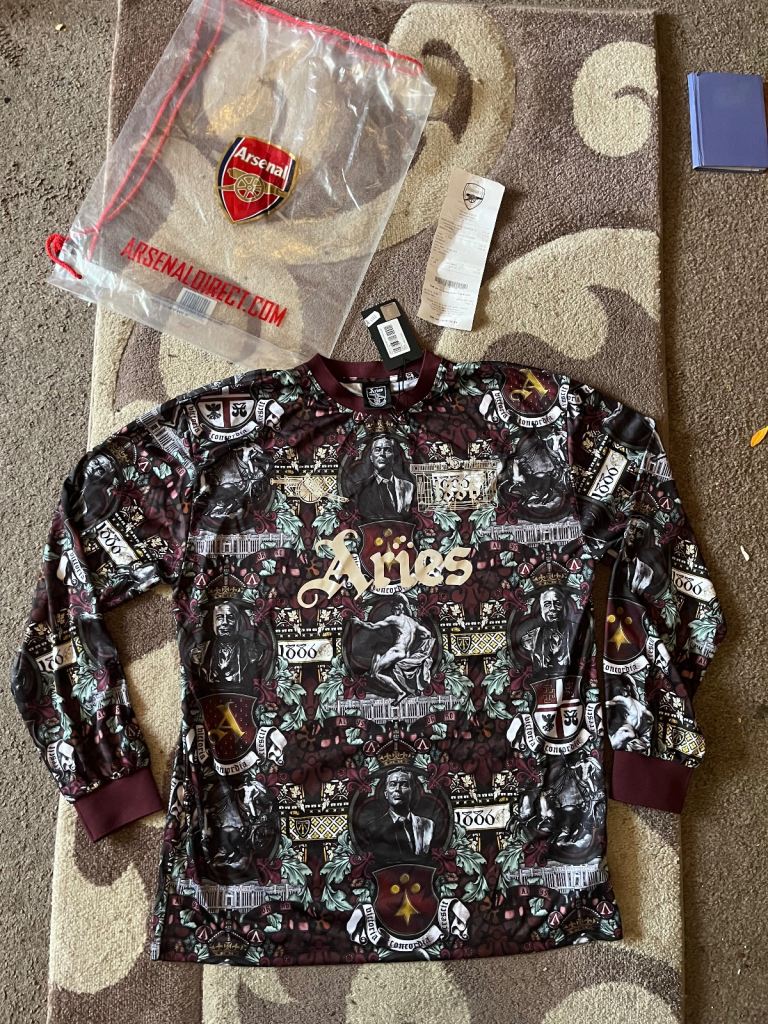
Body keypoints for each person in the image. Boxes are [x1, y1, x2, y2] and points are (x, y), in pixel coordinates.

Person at [349, 597, 434, 701]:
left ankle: (400, 692)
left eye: (394, 607)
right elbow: (428, 633)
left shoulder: (394, 619)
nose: (392, 610)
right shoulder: (413, 622)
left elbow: (373, 626)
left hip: (397, 651)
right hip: (406, 654)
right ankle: (403, 689)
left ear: (399, 607)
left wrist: (359, 622)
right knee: (379, 651)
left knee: (376, 674)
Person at [361, 769, 434, 860]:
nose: (397, 789)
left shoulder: (428, 825)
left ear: (412, 792)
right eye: (392, 784)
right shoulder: (373, 828)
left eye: (404, 784)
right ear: (386, 794)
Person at [194, 602, 267, 691]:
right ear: (213, 623)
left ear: (238, 622)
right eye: (219, 618)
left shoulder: (253, 649)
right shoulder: (200, 651)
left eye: (230, 617)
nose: (225, 622)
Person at [355, 436, 414, 521]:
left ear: (394, 457)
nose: (382, 454)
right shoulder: (360, 488)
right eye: (377, 450)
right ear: (371, 457)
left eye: (387, 450)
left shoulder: (408, 487)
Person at [529, 589, 577, 672]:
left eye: (557, 604)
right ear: (541, 610)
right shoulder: (531, 637)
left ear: (564, 607)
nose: (552, 608)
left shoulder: (577, 629)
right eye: (547, 604)